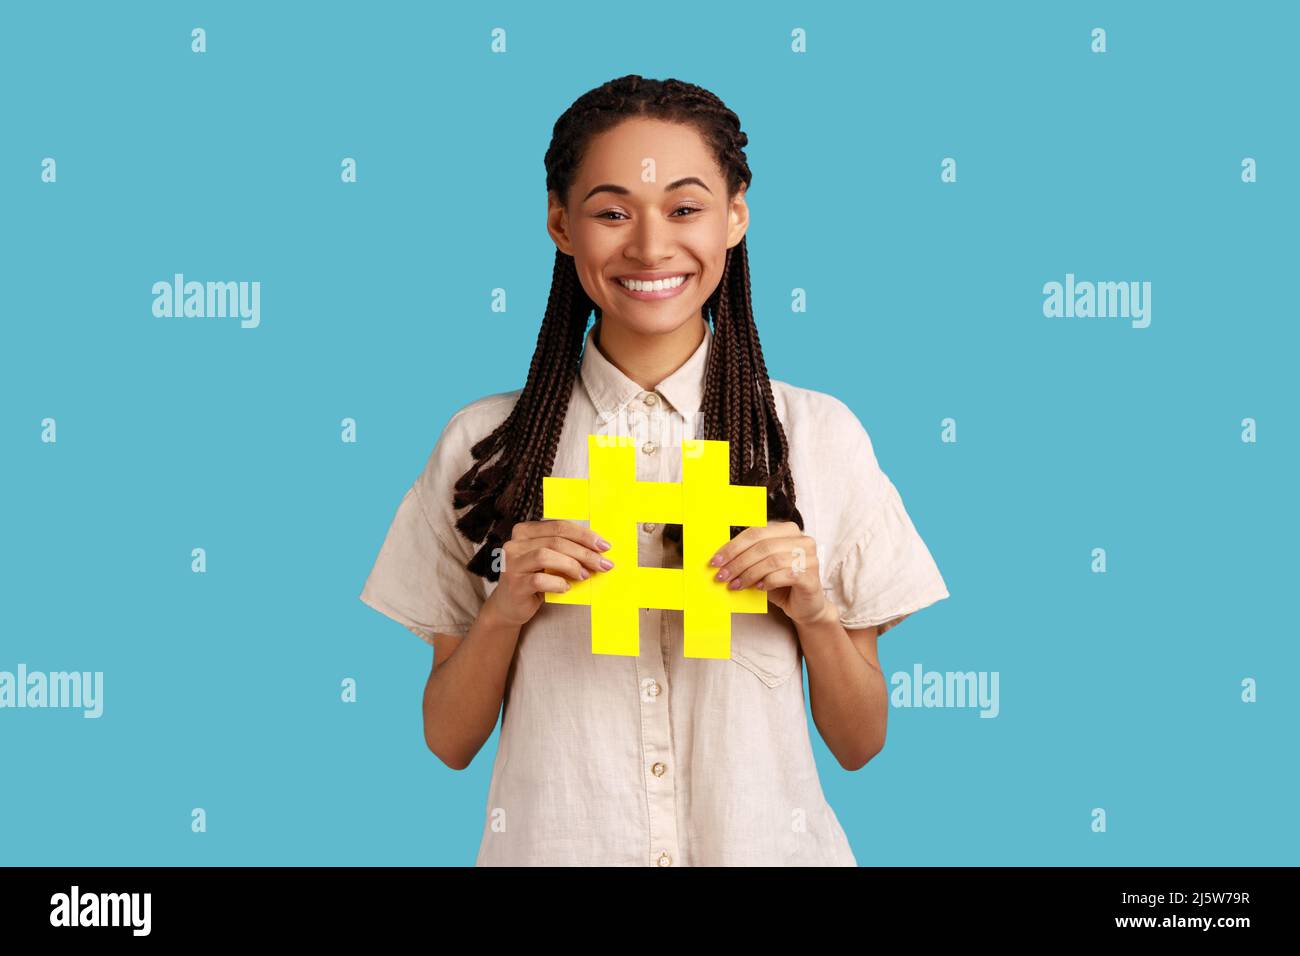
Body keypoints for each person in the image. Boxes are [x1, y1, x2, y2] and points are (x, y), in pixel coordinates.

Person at [360, 75, 949, 866]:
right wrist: (503, 611)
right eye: (611, 212)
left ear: (735, 216)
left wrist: (811, 611)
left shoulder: (816, 437)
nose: (648, 247)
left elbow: (861, 742)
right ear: (560, 225)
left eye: (685, 208)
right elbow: (447, 741)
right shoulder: (485, 444)